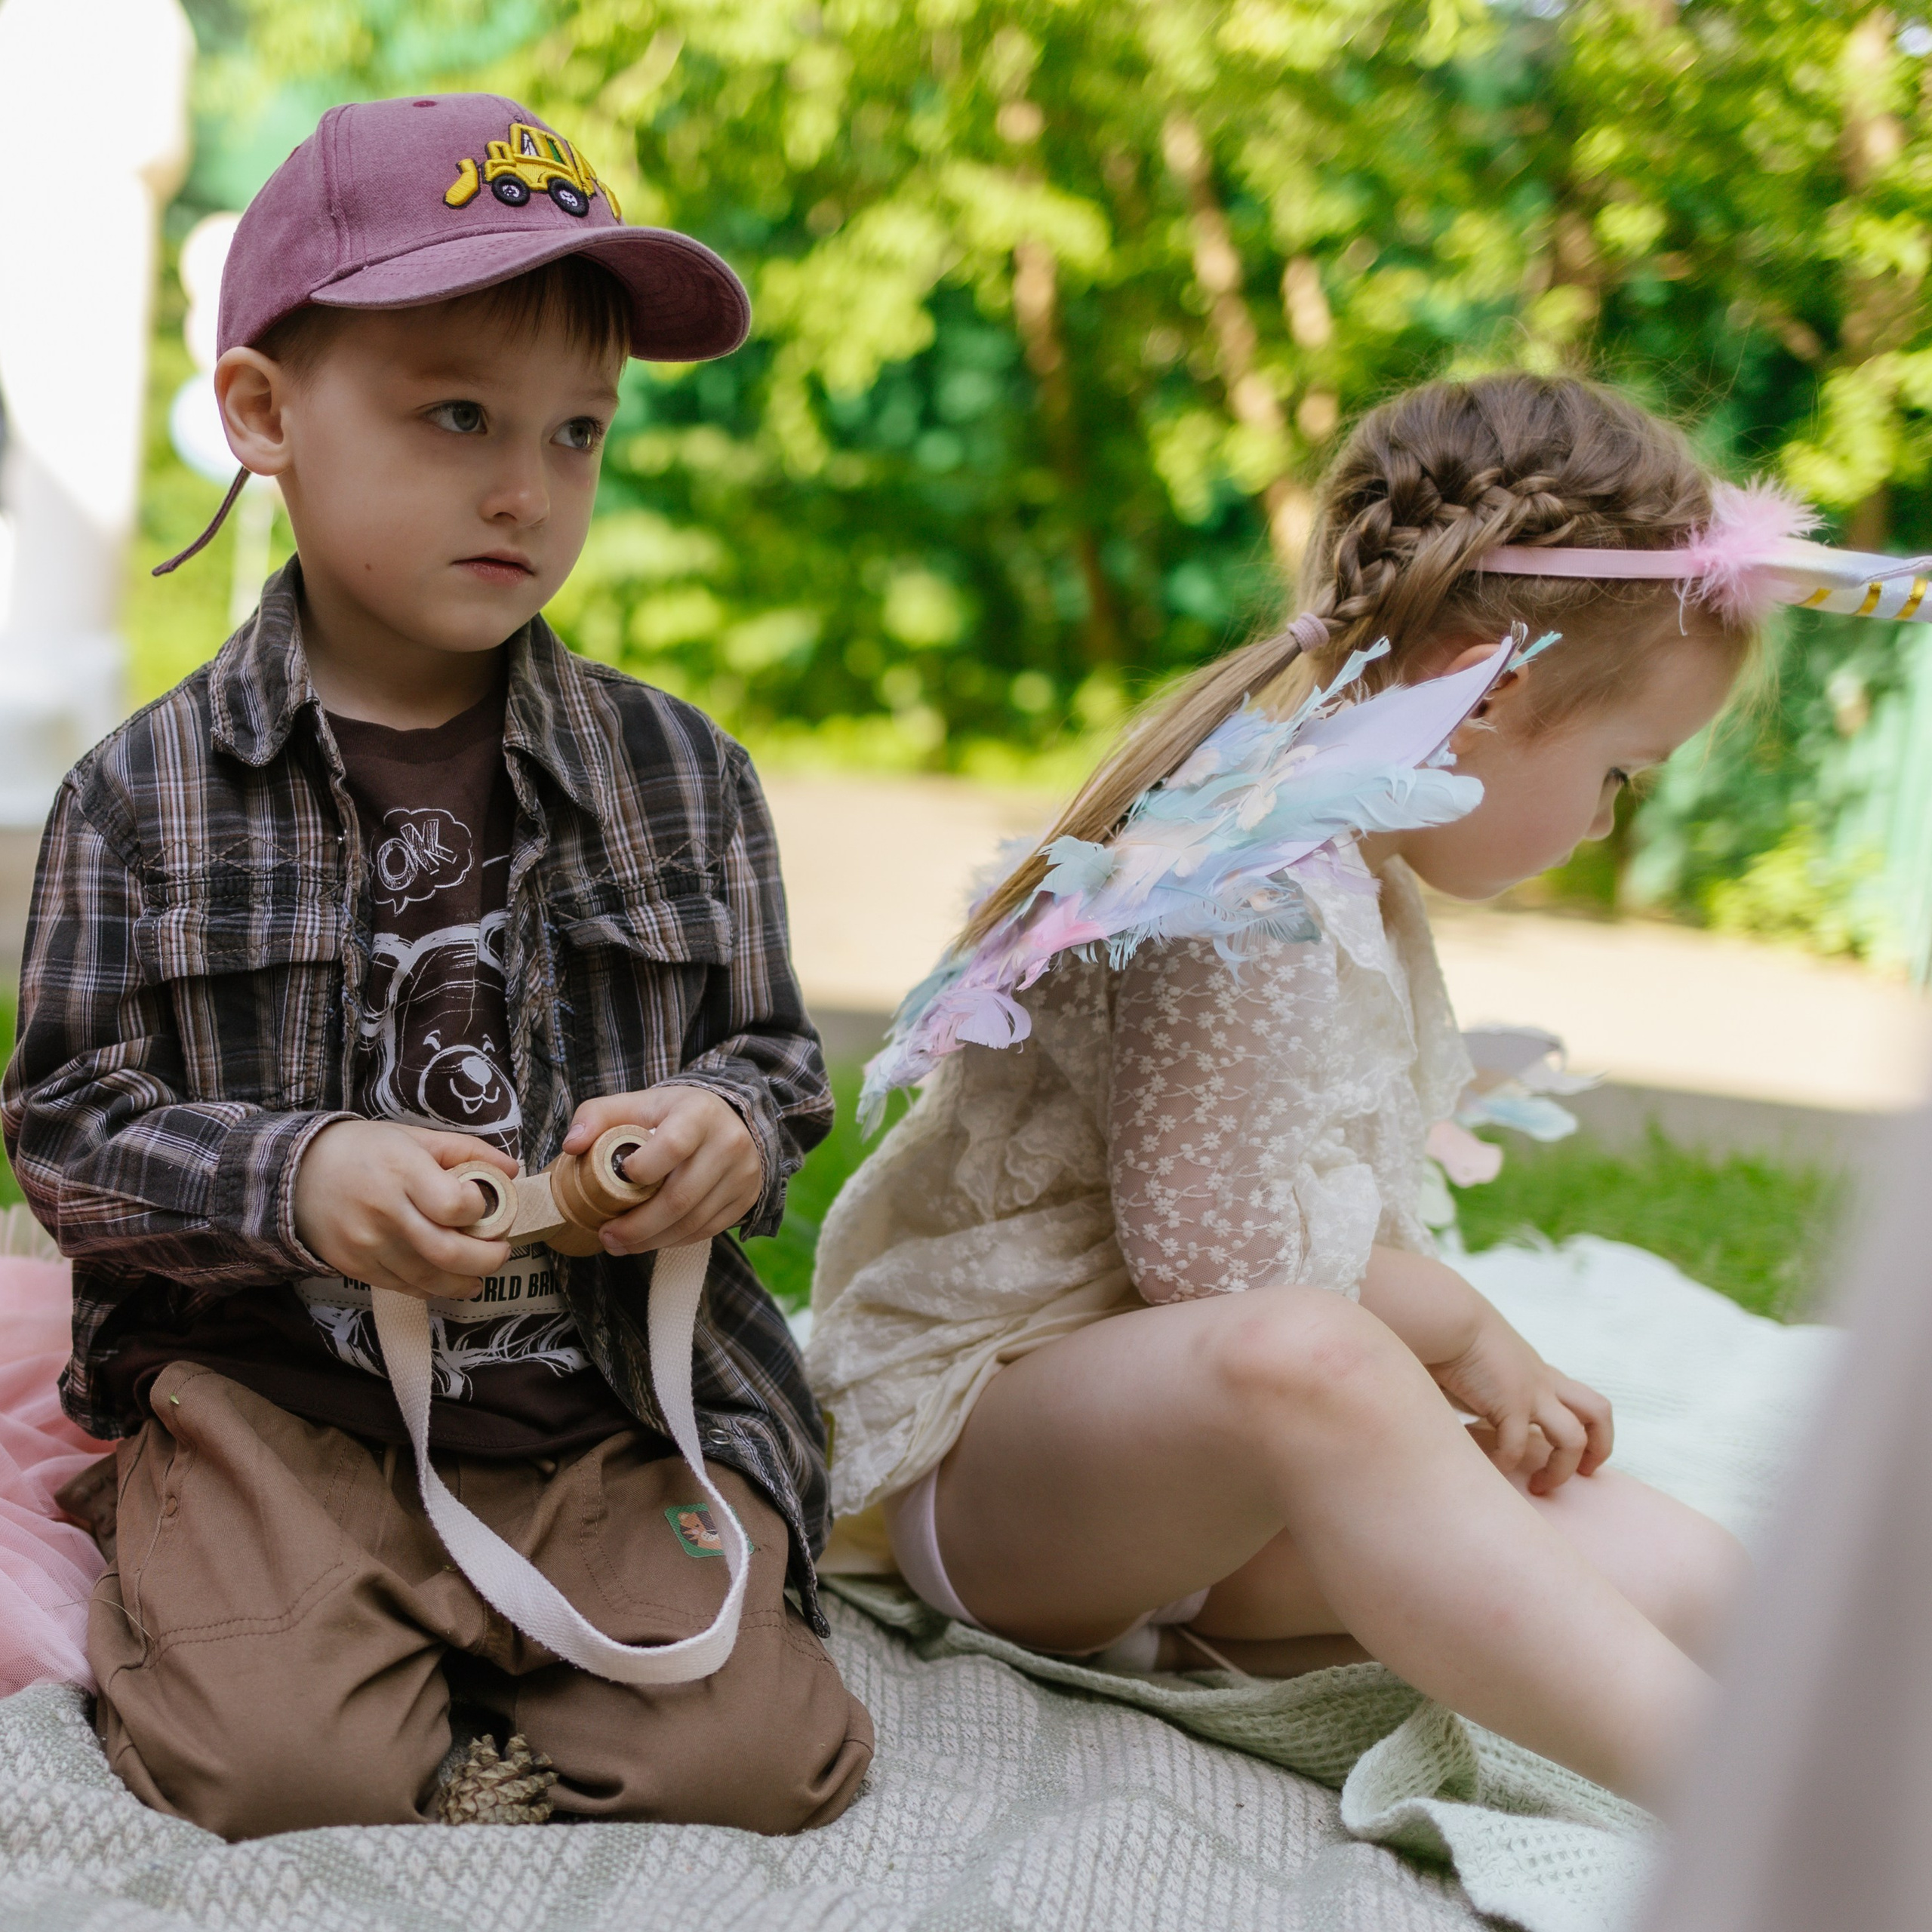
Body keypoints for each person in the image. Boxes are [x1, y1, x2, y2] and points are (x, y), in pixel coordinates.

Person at [1, 93, 870, 1840]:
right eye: (457, 414)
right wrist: (300, 1171)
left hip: (596, 1406)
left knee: (753, 1765)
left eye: (577, 433)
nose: (524, 487)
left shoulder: (679, 772)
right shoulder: (146, 791)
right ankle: (276, 1596)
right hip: (281, 1408)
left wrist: (714, 1128)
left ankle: (506, 1644)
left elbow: (776, 1059)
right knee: (278, 1771)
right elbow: (67, 1131)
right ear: (263, 413)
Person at [808, 374, 1804, 1810]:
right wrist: (1459, 1325)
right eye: (1621, 776)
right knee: (1320, 1363)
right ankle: (1755, 1813)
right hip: (1005, 1471)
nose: (1602, 821)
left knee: (1697, 1579)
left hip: (1193, 1496)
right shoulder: (1250, 887)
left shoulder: (1356, 872)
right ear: (1494, 690)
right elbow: (1217, 1273)